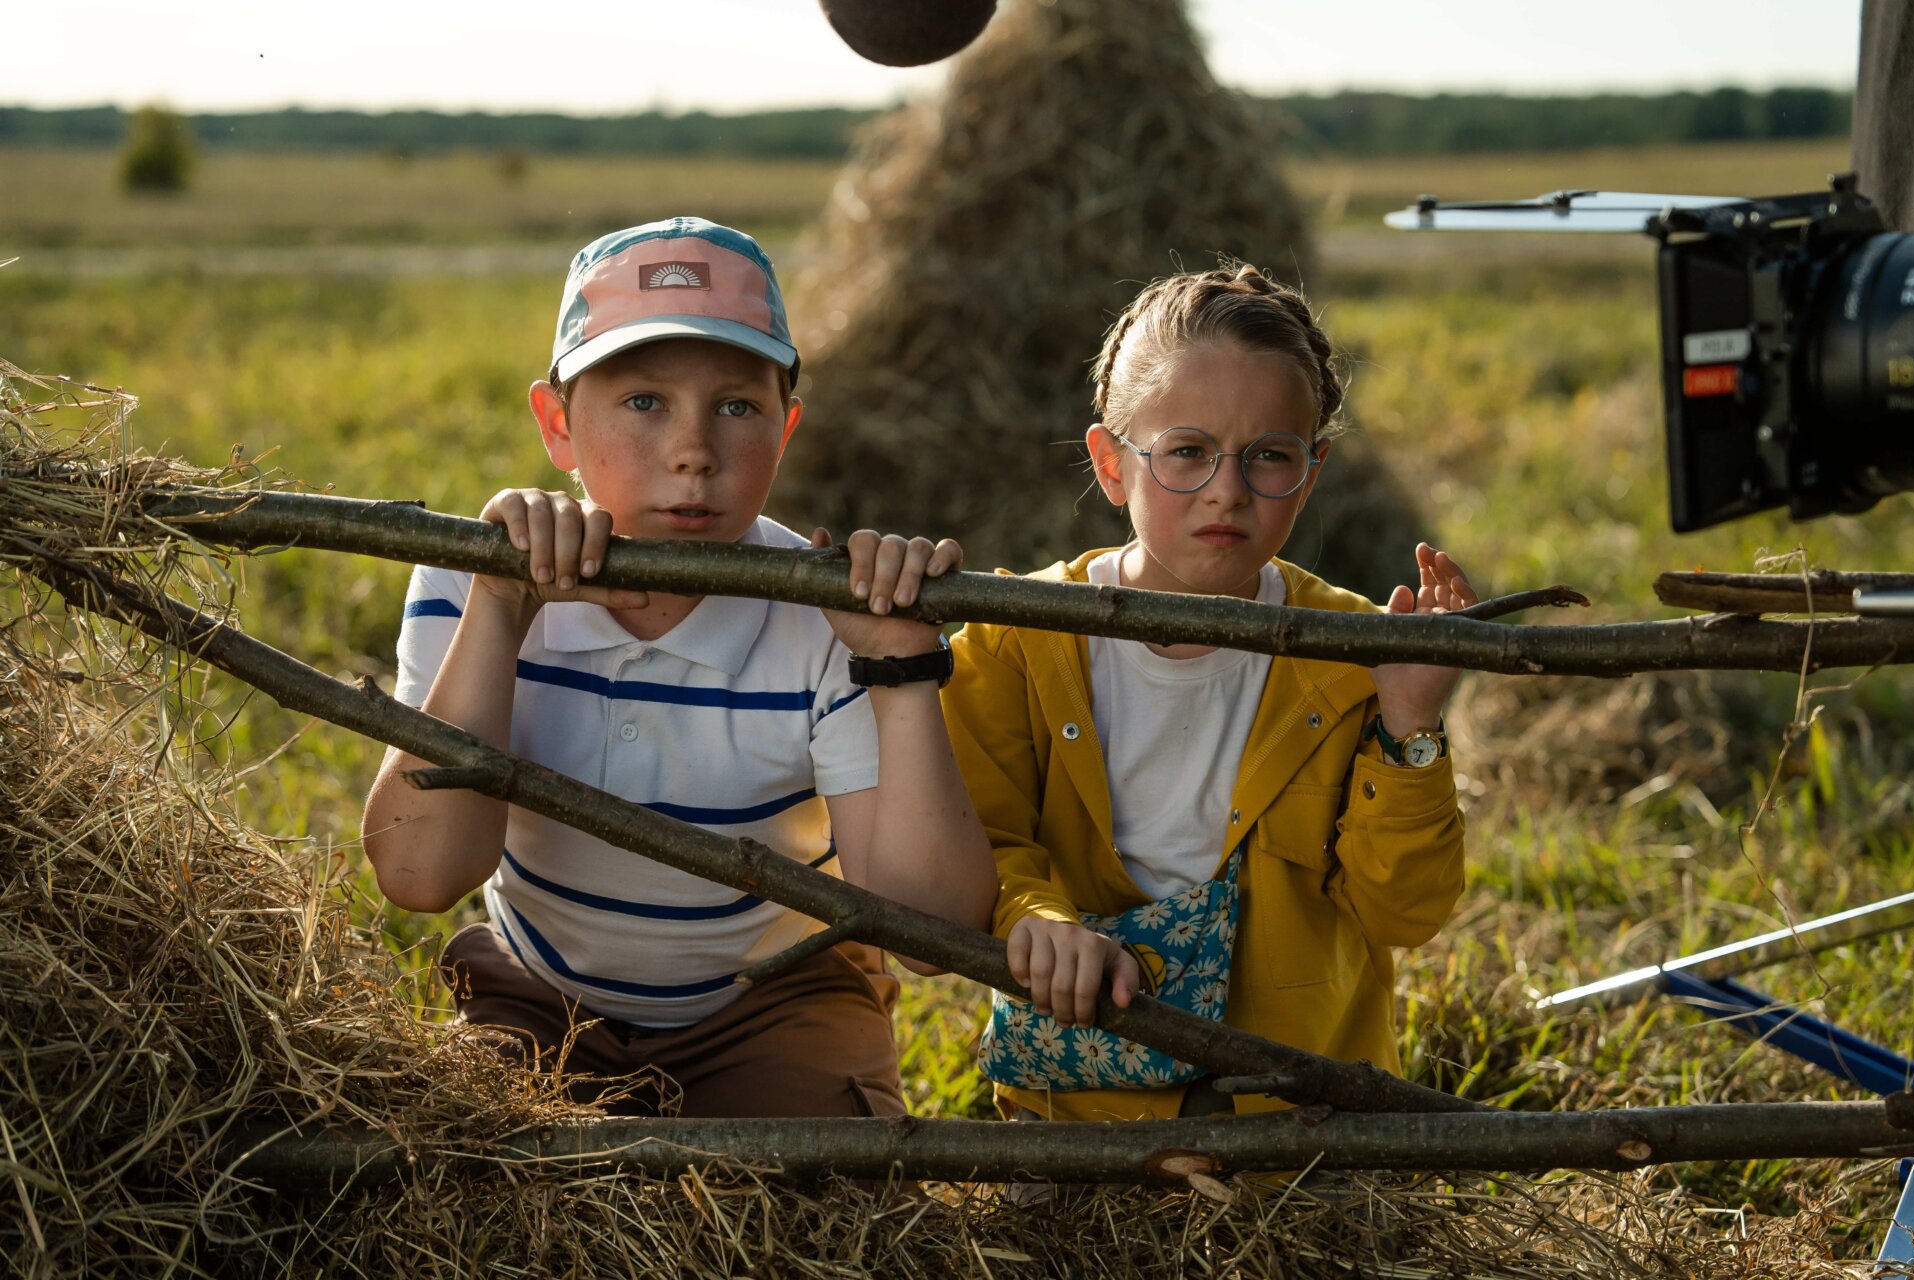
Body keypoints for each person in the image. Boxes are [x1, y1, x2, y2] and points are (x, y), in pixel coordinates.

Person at [362, 216, 995, 1119]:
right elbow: (419, 876)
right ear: (557, 425)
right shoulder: (468, 581)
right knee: (465, 1162)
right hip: (541, 990)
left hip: (772, 998)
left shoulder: (828, 618)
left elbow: (930, 936)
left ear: (786, 427)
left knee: (817, 1186)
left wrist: (900, 670)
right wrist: (501, 610)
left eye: (737, 407)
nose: (694, 449)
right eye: (643, 402)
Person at [942, 263, 1474, 1123]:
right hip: (1075, 1122)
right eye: (1187, 452)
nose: (1228, 490)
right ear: (1111, 464)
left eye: (1269, 456)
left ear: (1311, 469)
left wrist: (1409, 724)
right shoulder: (1017, 639)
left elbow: (1404, 915)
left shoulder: (1355, 651)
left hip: (1305, 1128)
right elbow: (981, 842)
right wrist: (1036, 917)